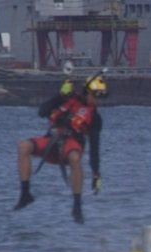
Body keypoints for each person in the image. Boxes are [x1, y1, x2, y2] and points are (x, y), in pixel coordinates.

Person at [13, 75, 107, 224]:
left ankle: (77, 206)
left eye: (99, 98)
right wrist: (59, 95)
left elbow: (95, 147)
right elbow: (42, 112)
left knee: (75, 159)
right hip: (51, 142)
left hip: (70, 147)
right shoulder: (66, 98)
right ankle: (25, 194)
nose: (96, 101)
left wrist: (96, 174)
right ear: (86, 92)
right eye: (94, 96)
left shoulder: (95, 117)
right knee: (23, 146)